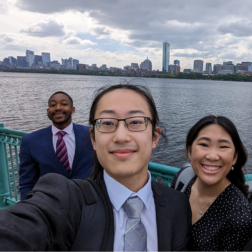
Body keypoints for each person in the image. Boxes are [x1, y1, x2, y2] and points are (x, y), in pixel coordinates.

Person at [1, 84, 191, 251]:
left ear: (155, 137)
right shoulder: (65, 201)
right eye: (107, 123)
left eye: (135, 122)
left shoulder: (179, 205)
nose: (121, 136)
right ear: (93, 138)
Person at [171, 115, 252, 251]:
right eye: (204, 144)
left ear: (235, 158)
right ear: (190, 151)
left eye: (223, 146)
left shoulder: (239, 217)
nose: (212, 156)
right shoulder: (182, 179)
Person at [18, 91, 94, 200]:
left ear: (73, 110)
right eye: (53, 105)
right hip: (52, 205)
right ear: (48, 111)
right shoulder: (30, 141)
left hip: (89, 201)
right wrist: (27, 210)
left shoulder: (91, 134)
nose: (58, 108)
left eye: (64, 104)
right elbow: (27, 183)